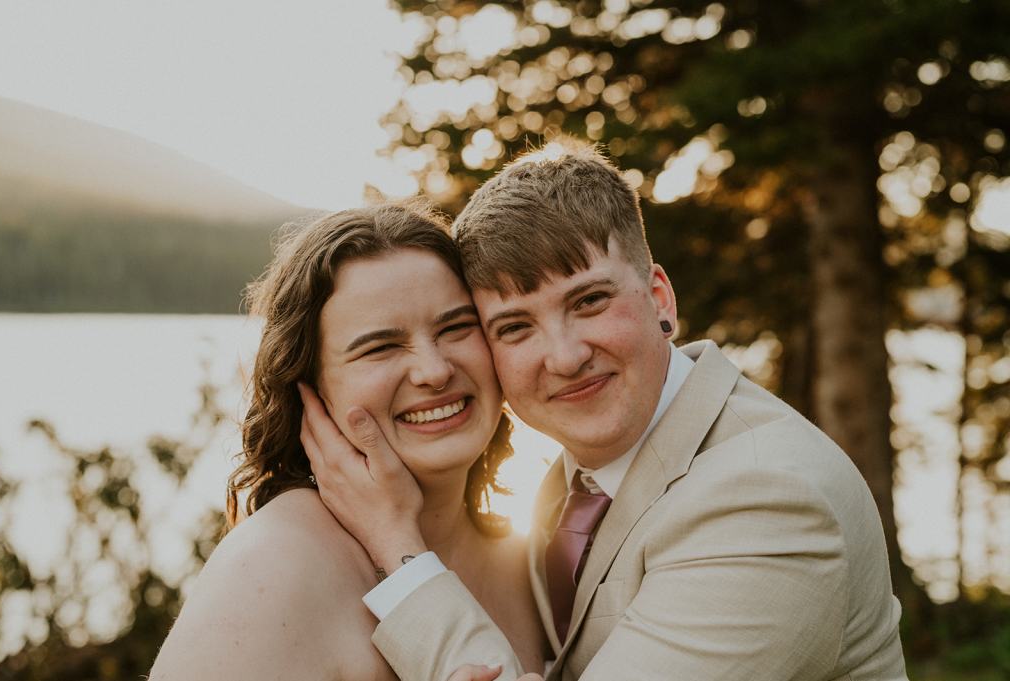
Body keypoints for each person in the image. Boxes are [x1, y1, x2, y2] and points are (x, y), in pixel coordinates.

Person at [301, 139, 909, 680]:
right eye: (514, 327)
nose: (563, 358)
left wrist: (398, 548)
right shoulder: (572, 484)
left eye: (589, 301)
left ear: (659, 297)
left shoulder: (766, 497)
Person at [148, 203, 547, 681]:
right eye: (380, 347)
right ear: (310, 388)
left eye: (457, 327)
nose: (435, 371)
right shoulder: (277, 563)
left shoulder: (533, 560)